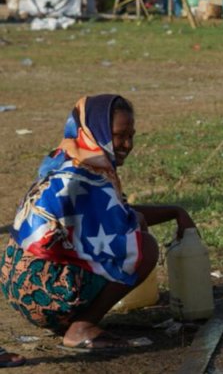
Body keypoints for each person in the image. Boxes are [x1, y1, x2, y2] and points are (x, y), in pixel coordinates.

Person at [0, 95, 197, 352]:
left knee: (128, 233)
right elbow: (125, 225)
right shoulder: (84, 176)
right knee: (143, 247)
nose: (127, 144)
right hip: (44, 292)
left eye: (131, 135)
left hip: (17, 285)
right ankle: (81, 327)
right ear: (99, 132)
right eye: (119, 135)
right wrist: (141, 222)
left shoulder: (67, 158)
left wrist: (175, 212)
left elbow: (115, 213)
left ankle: (68, 320)